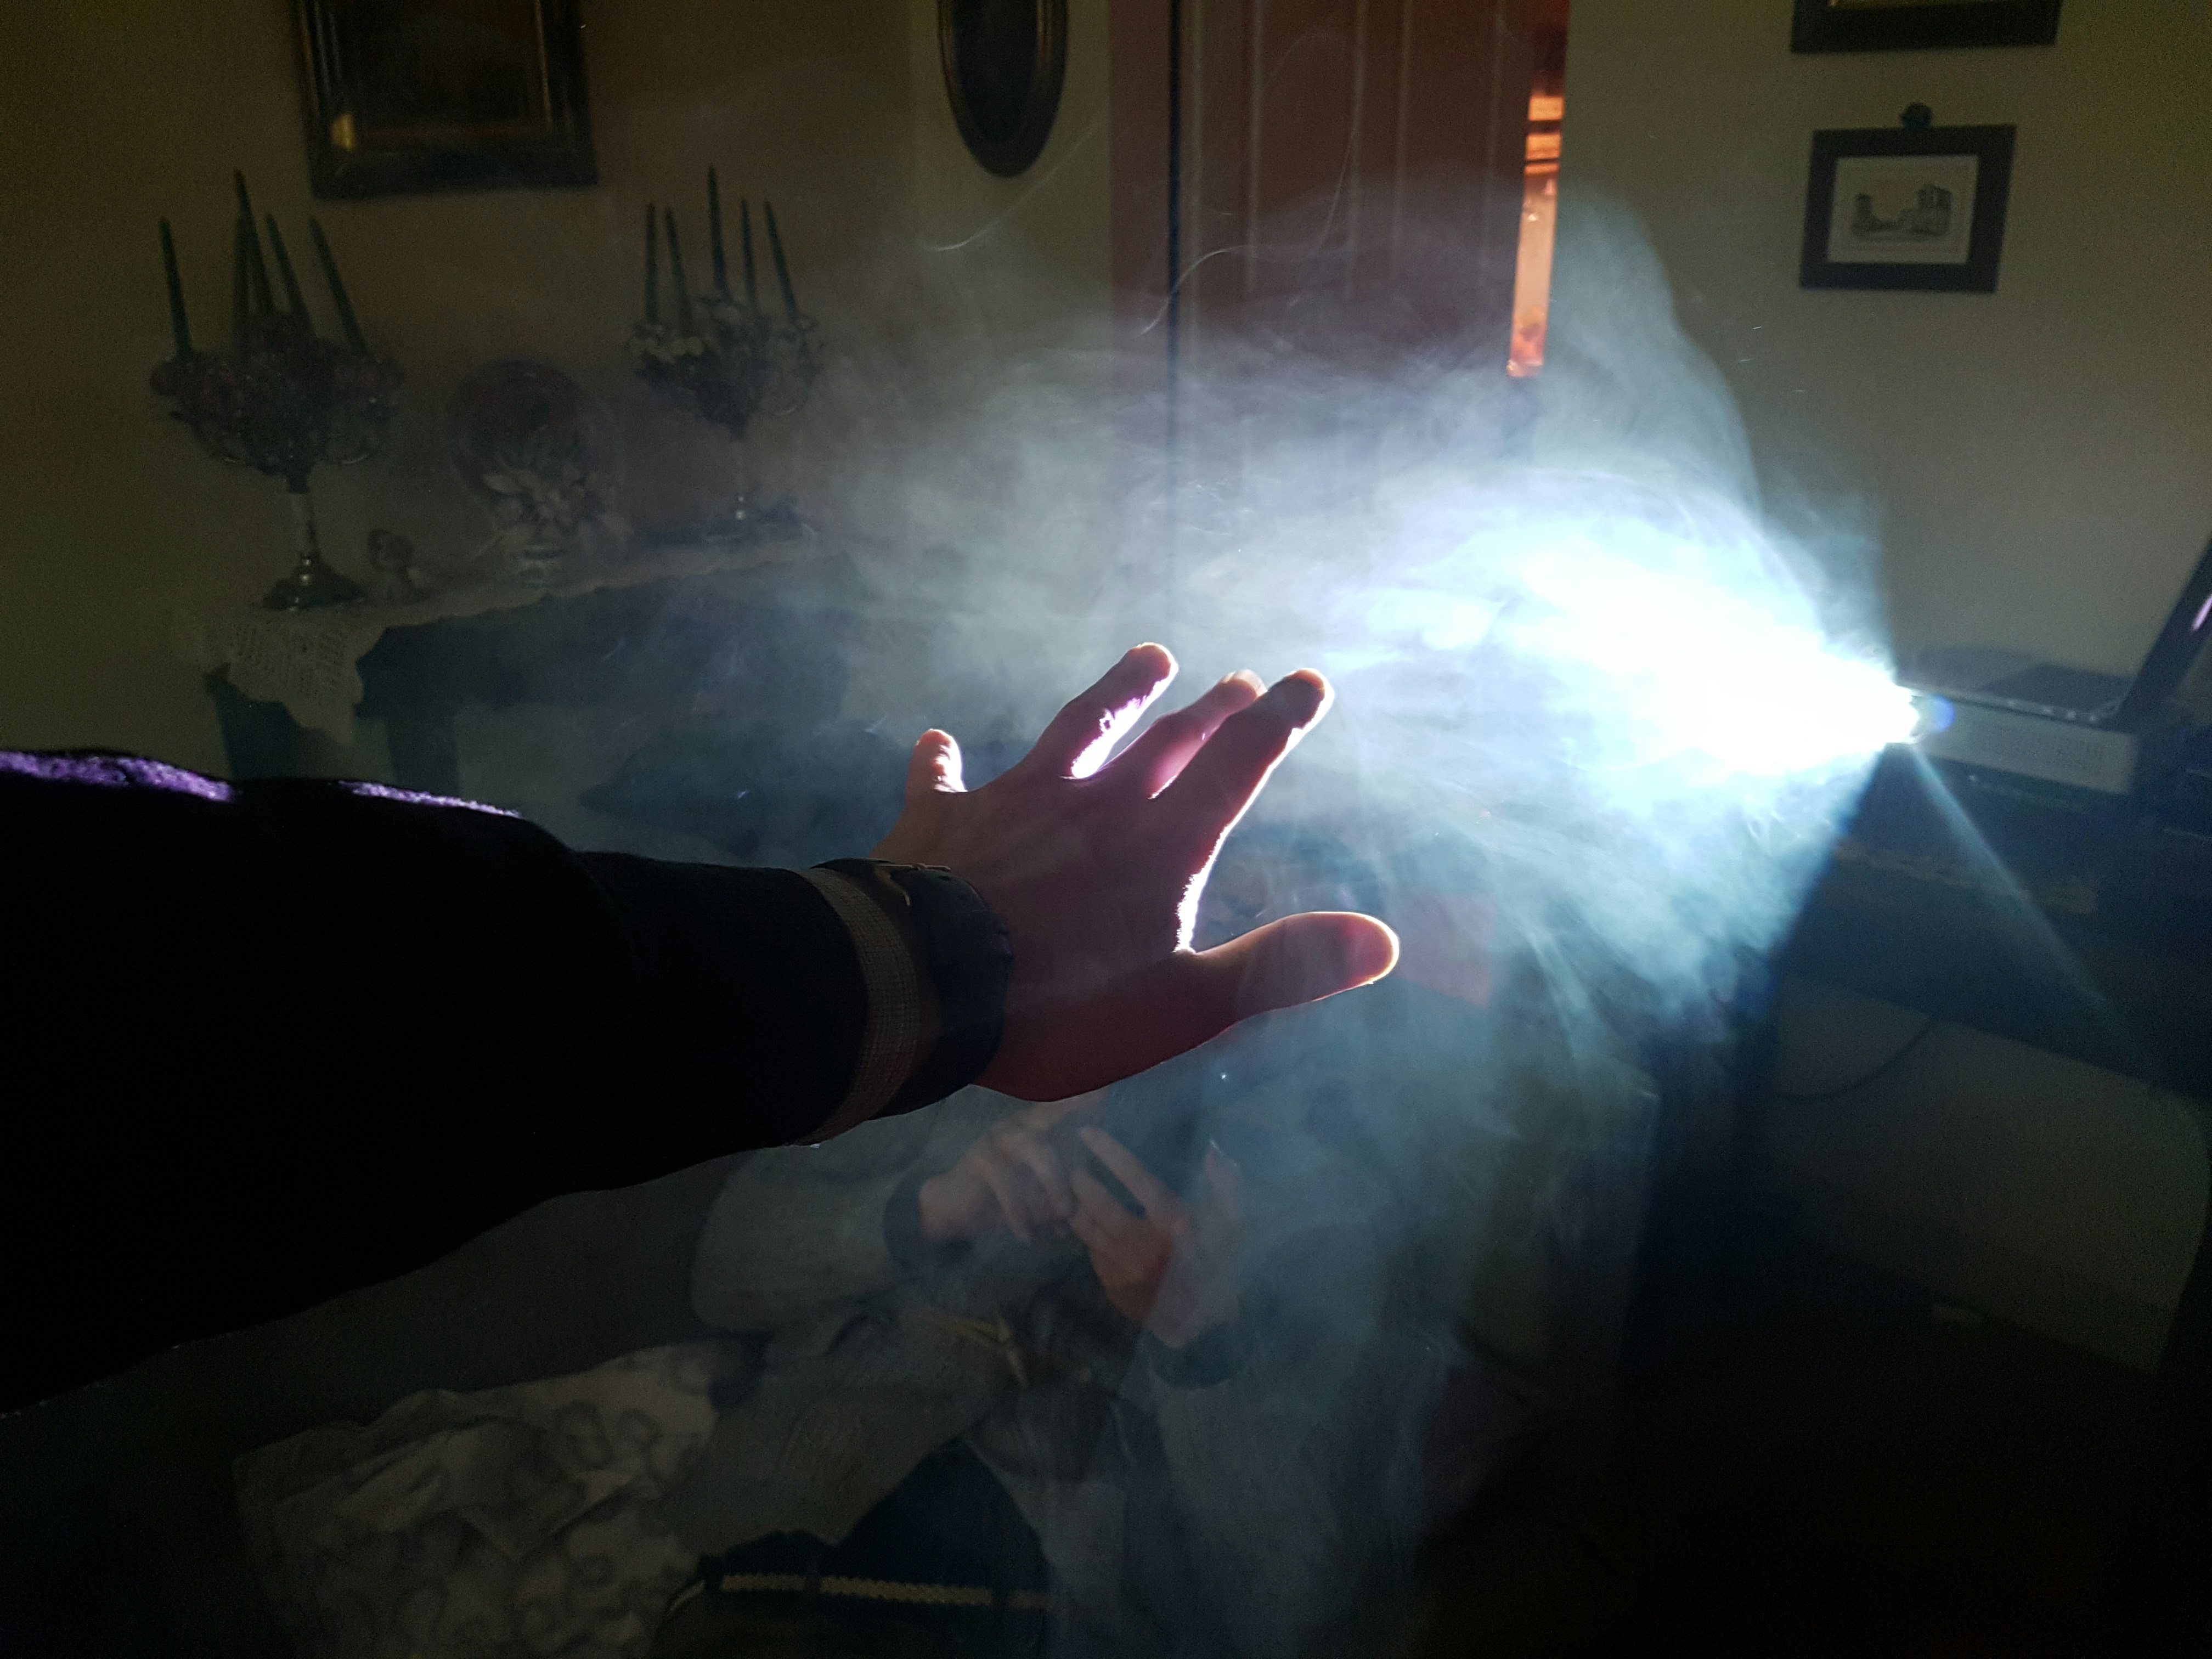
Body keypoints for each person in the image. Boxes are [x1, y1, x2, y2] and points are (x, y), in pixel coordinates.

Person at [2, 646, 1398, 1412]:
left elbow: (1292, 1574)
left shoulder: (1320, 1184)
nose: (1199, 921)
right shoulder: (981, 1060)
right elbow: (728, 1271)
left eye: (1247, 916)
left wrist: (1204, 1343)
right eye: (1212, 888)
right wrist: (934, 1204)